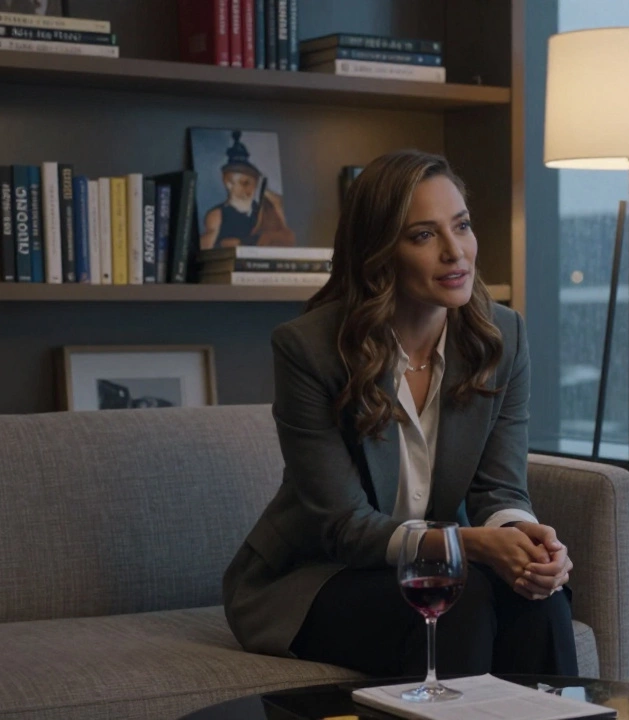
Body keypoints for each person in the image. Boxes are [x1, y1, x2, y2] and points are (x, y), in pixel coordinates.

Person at [222, 149, 578, 677]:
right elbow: (344, 526)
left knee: (538, 597)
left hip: (440, 566)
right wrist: (471, 545)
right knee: (462, 593)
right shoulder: (309, 349)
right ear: (379, 251)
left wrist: (527, 541)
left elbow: (500, 490)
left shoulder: (502, 337)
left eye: (462, 226)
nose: (456, 253)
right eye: (424, 235)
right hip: (318, 575)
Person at [200, 130, 295, 249]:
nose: (250, 188)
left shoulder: (262, 211)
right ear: (229, 183)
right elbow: (206, 248)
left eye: (253, 183)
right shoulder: (217, 215)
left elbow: (287, 239)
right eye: (244, 183)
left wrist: (277, 206)